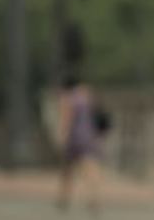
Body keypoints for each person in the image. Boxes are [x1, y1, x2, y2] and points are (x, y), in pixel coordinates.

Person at [55, 75, 103, 215]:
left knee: (68, 169)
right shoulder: (87, 98)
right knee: (91, 169)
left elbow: (66, 119)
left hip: (74, 137)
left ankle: (64, 198)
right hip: (89, 136)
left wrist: (62, 136)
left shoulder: (67, 98)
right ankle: (94, 199)